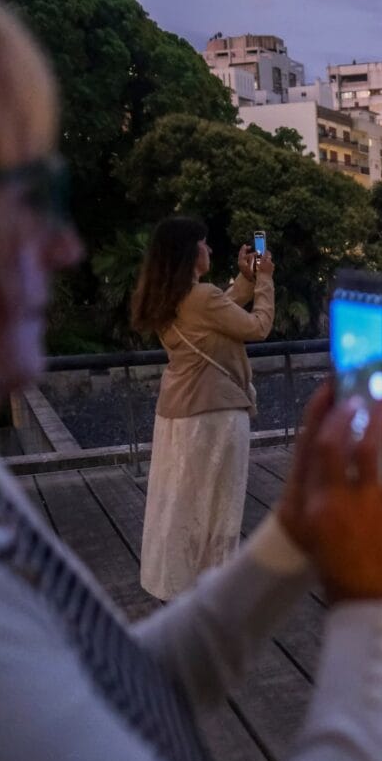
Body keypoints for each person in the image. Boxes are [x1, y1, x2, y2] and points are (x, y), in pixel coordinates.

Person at [0, 1, 382, 761]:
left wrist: (292, 539)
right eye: (17, 197)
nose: (61, 244)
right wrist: (379, 608)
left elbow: (119, 688)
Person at [132, 216, 274, 601]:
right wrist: (264, 280)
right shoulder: (202, 296)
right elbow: (257, 327)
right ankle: (215, 593)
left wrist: (244, 281)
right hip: (215, 415)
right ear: (189, 252)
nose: (209, 250)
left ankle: (175, 586)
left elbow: (216, 313)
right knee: (218, 508)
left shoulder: (168, 297)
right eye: (204, 243)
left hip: (176, 414)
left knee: (177, 504)